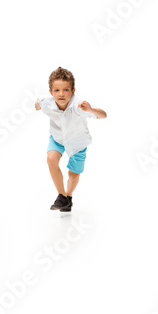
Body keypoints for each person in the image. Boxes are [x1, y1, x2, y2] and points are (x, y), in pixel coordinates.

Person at [35, 67, 107, 212]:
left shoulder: (79, 106)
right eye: (56, 90)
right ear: (51, 92)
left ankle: (68, 197)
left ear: (73, 91)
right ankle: (61, 196)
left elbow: (103, 115)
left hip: (77, 142)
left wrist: (90, 109)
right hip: (57, 139)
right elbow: (37, 104)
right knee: (51, 159)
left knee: (73, 175)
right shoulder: (47, 102)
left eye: (66, 90)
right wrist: (37, 104)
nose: (61, 94)